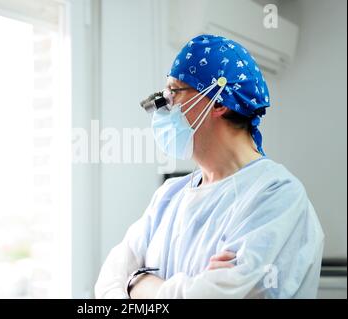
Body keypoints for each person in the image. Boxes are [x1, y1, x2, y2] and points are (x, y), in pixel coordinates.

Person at [95, 34, 324, 299]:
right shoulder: (169, 197)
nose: (162, 105)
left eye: (174, 91)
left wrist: (136, 282)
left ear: (217, 102)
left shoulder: (277, 196)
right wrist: (178, 285)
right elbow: (107, 283)